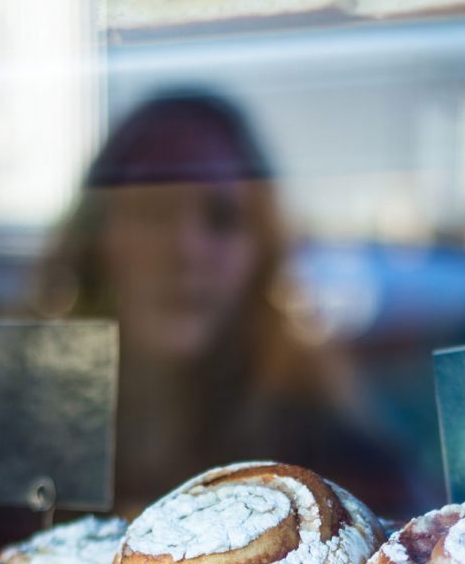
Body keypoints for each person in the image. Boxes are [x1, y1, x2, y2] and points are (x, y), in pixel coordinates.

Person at [36, 89, 425, 522]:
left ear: (262, 255)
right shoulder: (25, 442)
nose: (186, 248)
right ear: (96, 242)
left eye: (223, 218)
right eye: (152, 210)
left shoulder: (339, 467)